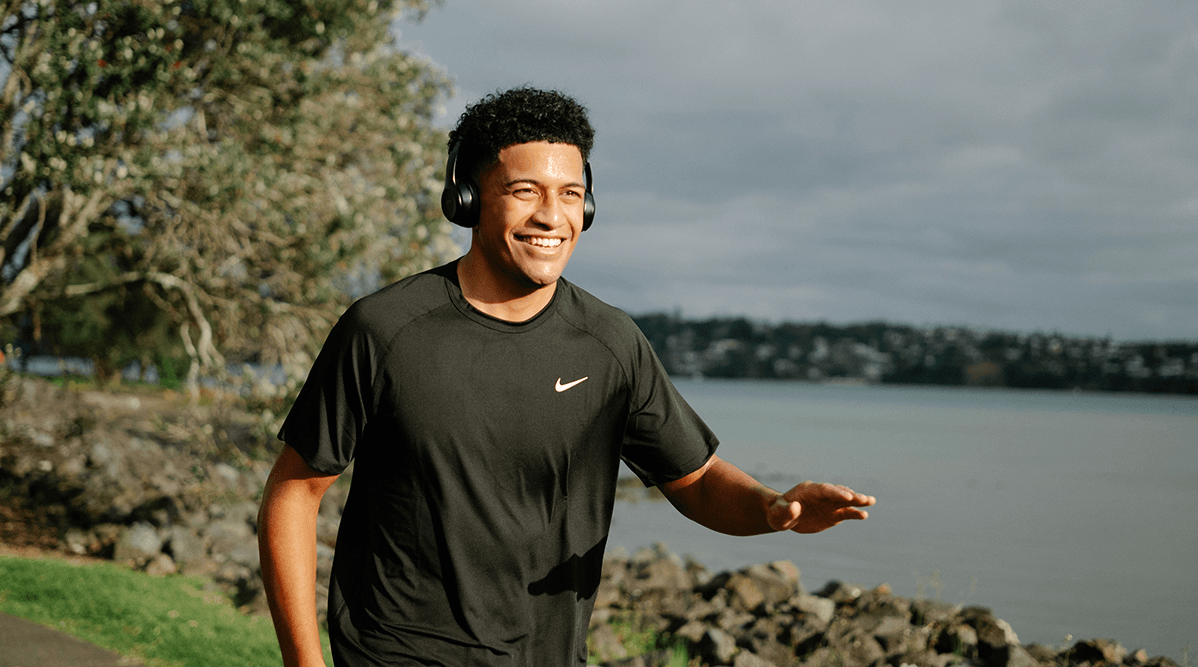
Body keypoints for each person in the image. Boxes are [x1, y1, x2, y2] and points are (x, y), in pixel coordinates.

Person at [257, 87, 876, 667]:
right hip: (396, 652)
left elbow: (698, 479)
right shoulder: (384, 330)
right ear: (466, 198)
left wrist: (772, 508)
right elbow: (293, 494)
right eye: (525, 191)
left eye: (571, 194)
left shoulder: (610, 344)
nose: (552, 216)